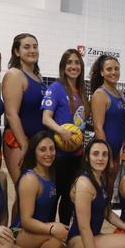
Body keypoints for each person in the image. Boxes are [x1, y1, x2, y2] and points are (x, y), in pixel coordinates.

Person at [13, 132, 75, 248]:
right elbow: (25, 220)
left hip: (36, 232)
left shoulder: (50, 173)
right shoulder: (30, 179)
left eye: (51, 149)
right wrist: (51, 229)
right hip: (19, 232)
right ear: (34, 152)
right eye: (42, 150)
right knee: (56, 234)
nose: (48, 154)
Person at [41, 49, 89, 224]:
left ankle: (64, 232)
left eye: (77, 62)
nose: (73, 66)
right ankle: (50, 233)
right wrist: (61, 131)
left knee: (70, 197)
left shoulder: (82, 92)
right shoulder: (56, 87)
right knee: (54, 196)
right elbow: (45, 118)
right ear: (63, 66)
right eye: (69, 62)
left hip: (76, 155)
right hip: (59, 155)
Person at [1, 33, 45, 187]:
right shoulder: (14, 75)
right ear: (17, 52)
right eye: (27, 47)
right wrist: (24, 144)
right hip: (18, 141)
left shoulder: (38, 76)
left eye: (35, 46)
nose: (32, 50)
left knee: (34, 194)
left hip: (37, 142)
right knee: (23, 191)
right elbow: (11, 113)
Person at [89, 55, 125, 191]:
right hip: (104, 153)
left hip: (116, 152)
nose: (113, 72)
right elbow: (98, 128)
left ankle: (106, 212)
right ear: (102, 72)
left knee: (108, 191)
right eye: (109, 69)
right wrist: (106, 156)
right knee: (99, 190)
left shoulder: (119, 94)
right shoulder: (100, 94)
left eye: (116, 69)